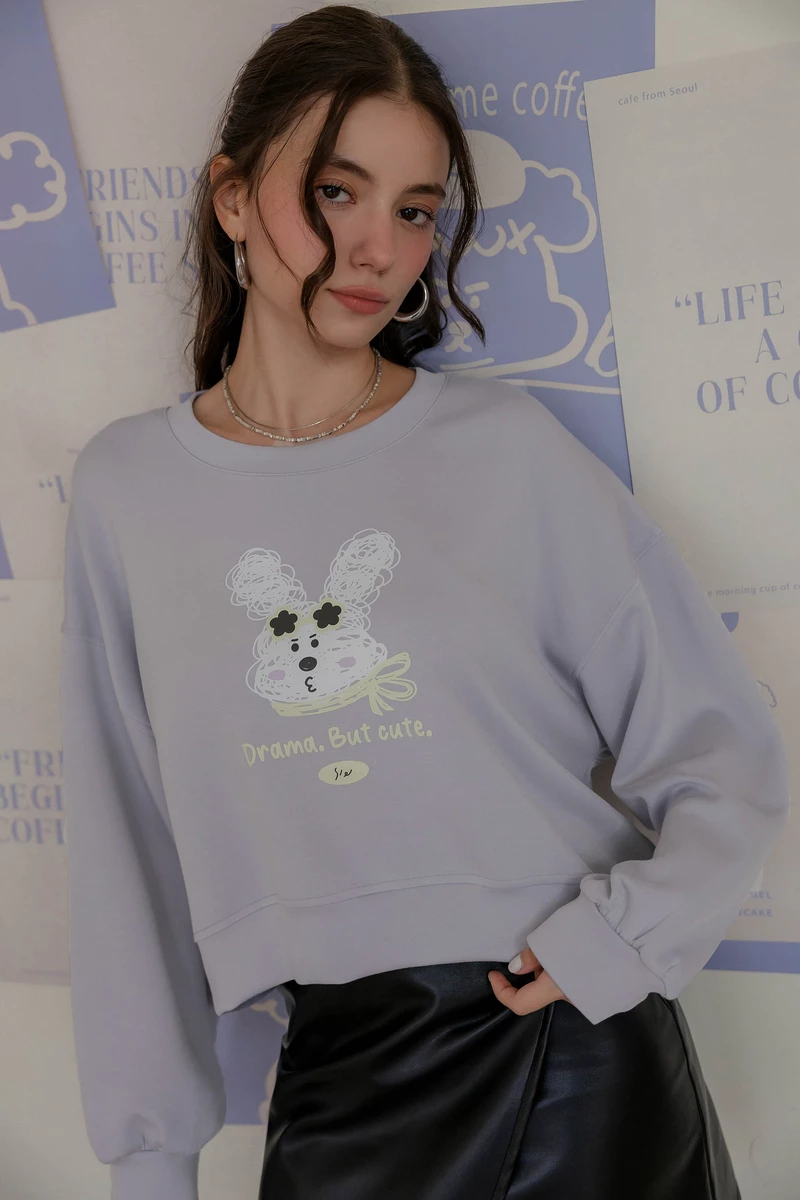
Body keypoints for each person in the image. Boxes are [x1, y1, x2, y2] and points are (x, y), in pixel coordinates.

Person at [59, 7, 790, 1200]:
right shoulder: (128, 490)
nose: (378, 249)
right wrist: (151, 1166)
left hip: (566, 1054)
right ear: (233, 198)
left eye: (413, 211)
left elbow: (721, 748)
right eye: (335, 193)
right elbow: (126, 854)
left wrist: (621, 937)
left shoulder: (503, 452)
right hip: (338, 1072)